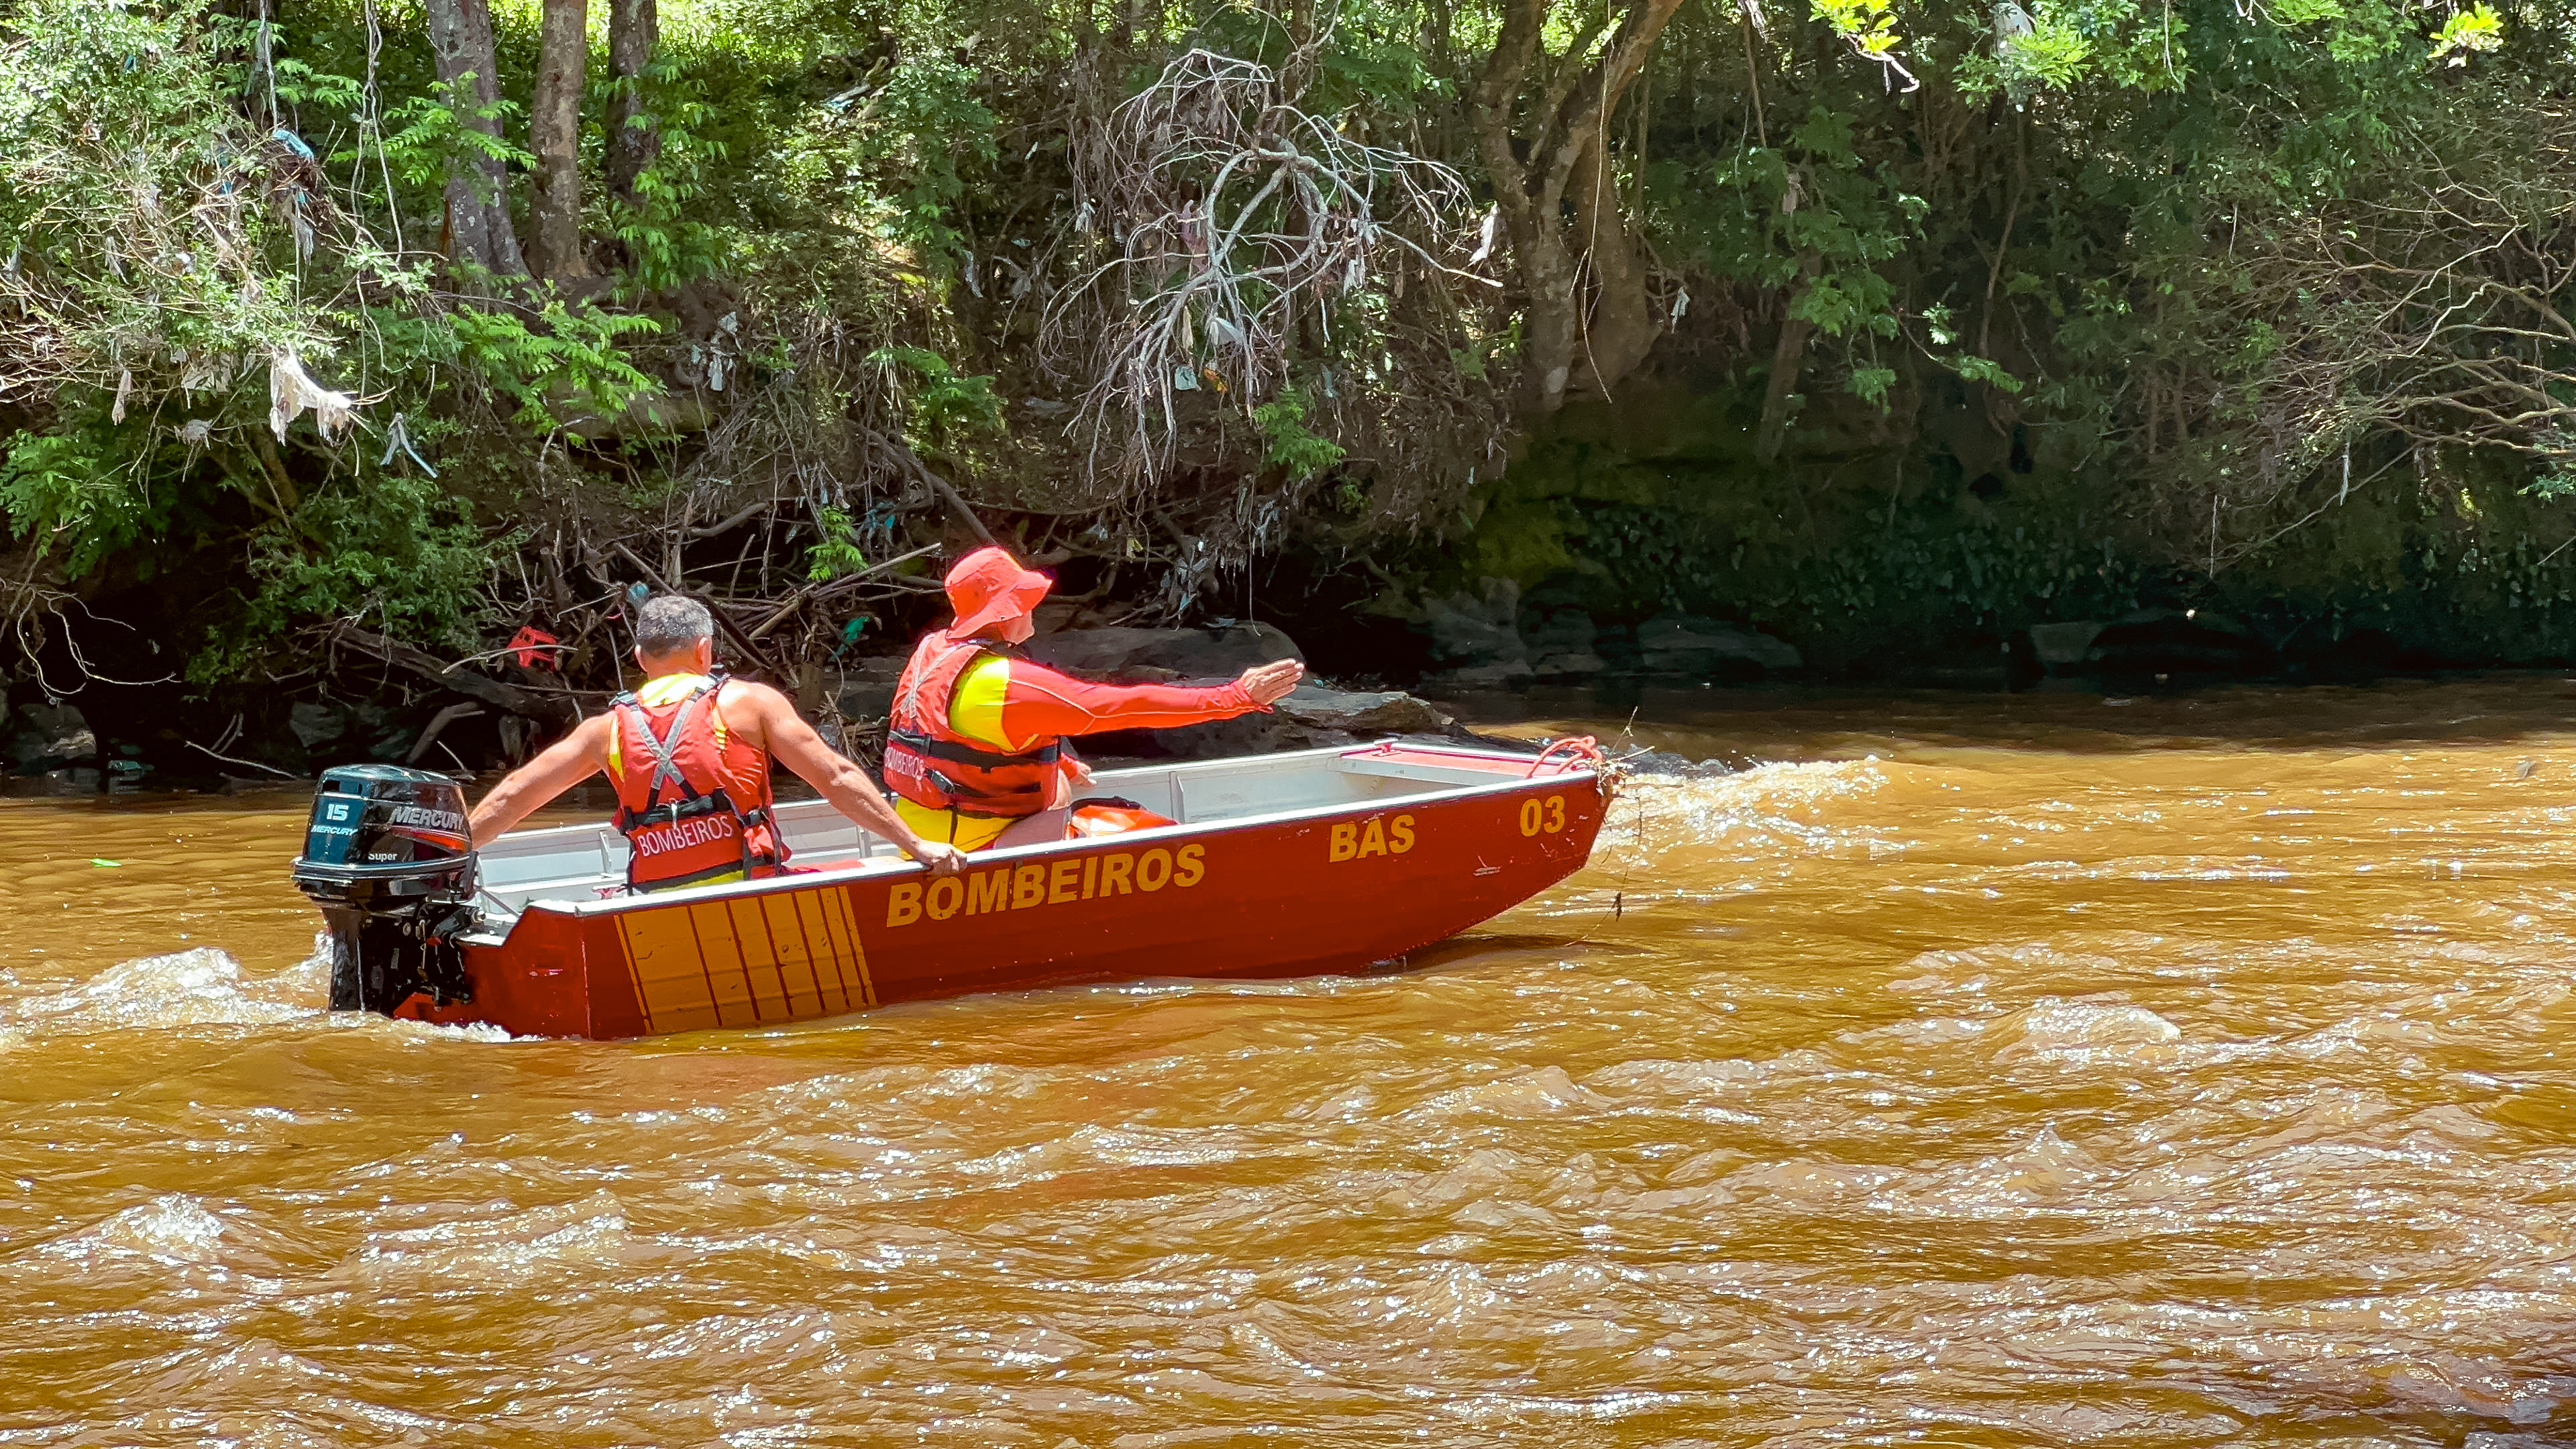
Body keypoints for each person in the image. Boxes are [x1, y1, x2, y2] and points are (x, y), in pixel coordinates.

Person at [468, 594, 967, 891]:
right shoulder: (749, 705)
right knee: (877, 864)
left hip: (654, 899)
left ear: (640, 658)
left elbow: (516, 795)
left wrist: (441, 855)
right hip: (751, 894)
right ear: (706, 650)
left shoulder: (604, 731)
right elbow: (834, 778)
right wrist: (916, 845)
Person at [884, 545, 1305, 851]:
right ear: (1009, 611)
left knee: (1062, 781)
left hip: (921, 838)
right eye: (1026, 600)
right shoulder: (1006, 685)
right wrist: (1236, 696)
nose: (1034, 607)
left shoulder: (934, 653)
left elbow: (960, 737)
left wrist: (1058, 760)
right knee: (1146, 834)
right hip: (971, 850)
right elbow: (1124, 705)